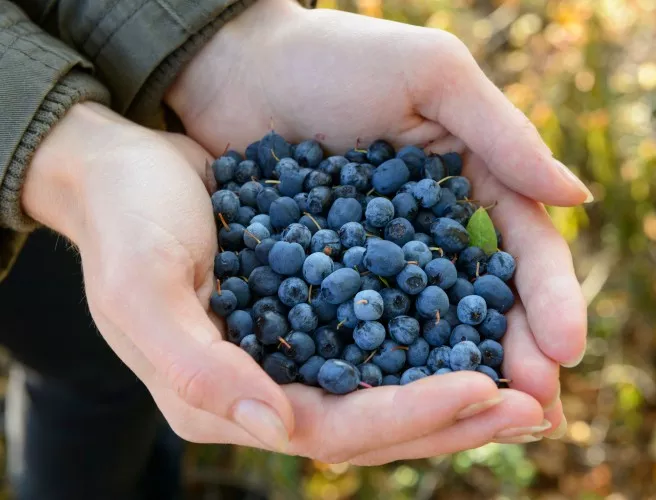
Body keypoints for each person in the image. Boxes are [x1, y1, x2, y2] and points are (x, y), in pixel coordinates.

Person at [0, 0, 591, 498]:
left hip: (157, 194)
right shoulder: (312, 265)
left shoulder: (383, 259)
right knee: (84, 394)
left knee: (164, 372)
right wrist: (68, 155)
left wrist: (223, 40)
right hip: (47, 247)